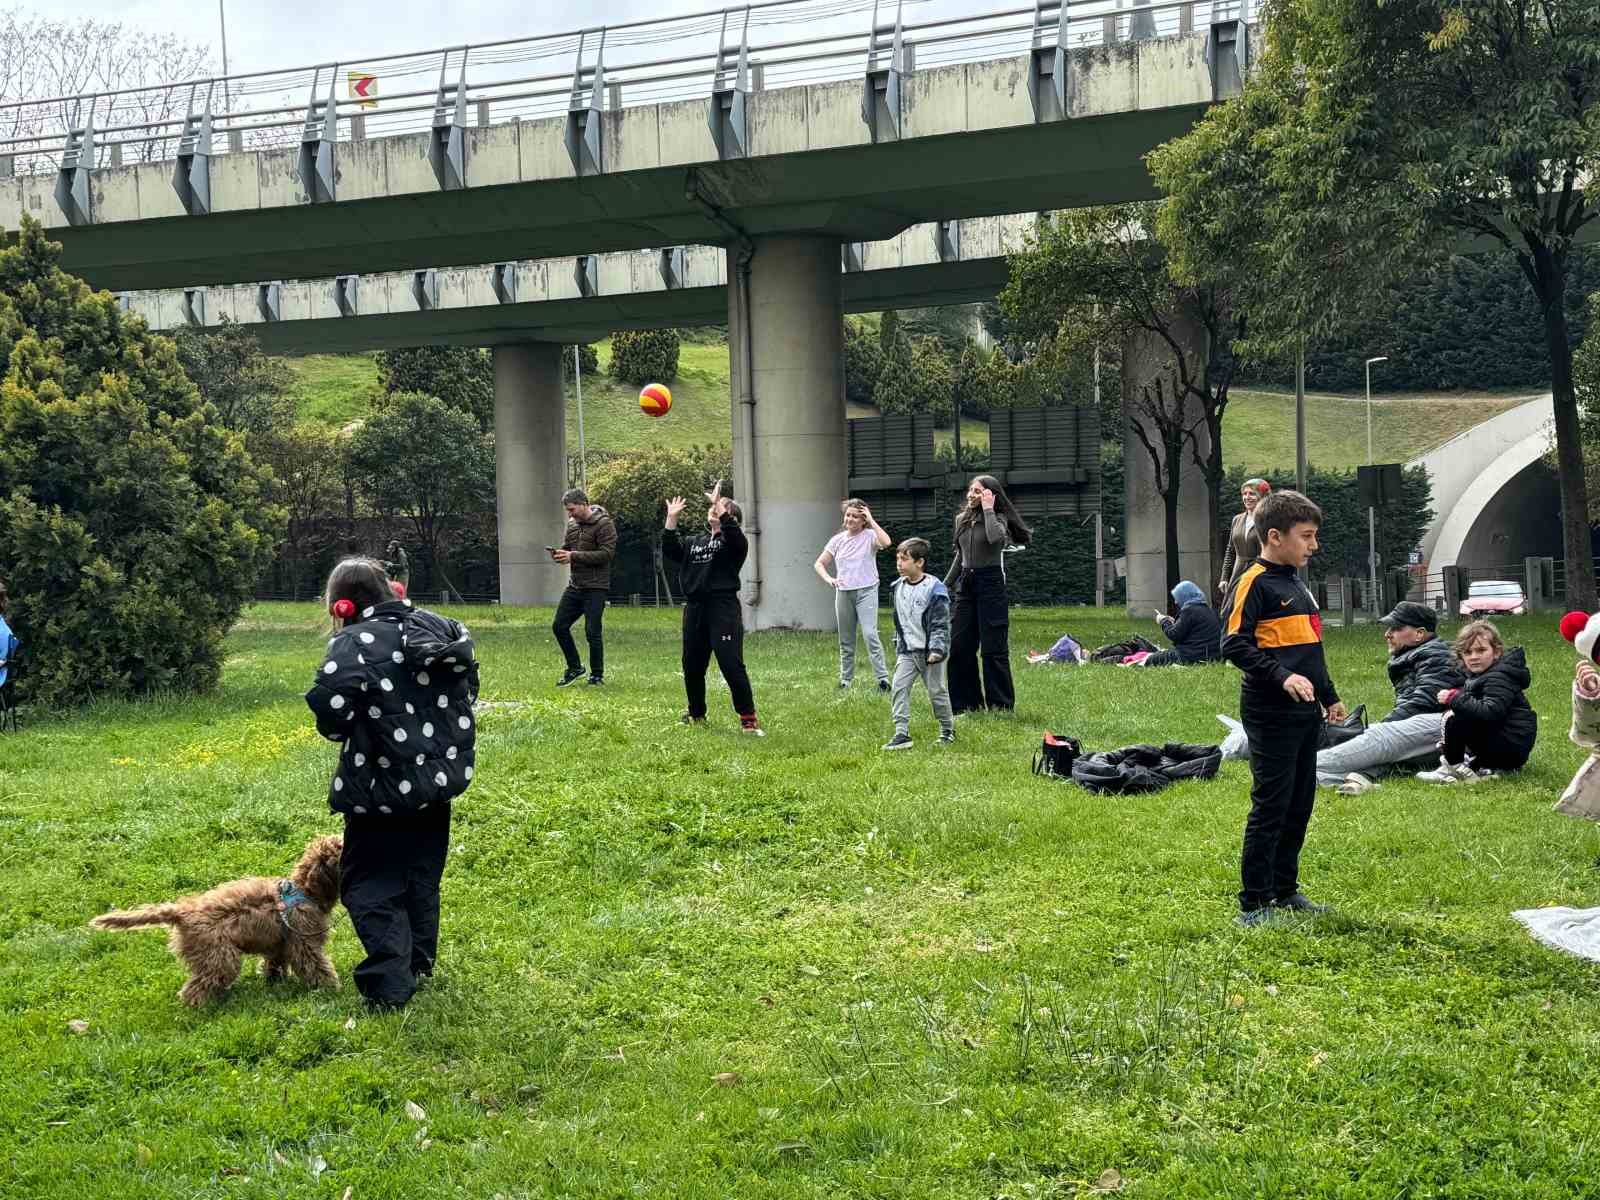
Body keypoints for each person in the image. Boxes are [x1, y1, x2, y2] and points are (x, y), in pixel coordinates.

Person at [304, 557, 478, 1010]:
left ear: (342, 605)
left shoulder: (353, 642)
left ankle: (390, 983)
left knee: (367, 882)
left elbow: (331, 713)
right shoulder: (442, 627)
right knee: (421, 873)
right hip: (436, 783)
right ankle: (419, 962)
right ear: (393, 590)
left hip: (378, 789)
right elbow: (467, 688)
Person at [1222, 489, 1346, 926]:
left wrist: (1328, 695)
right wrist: (1281, 677)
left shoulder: (1296, 582)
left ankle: (1285, 890)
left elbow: (1310, 651)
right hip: (1270, 711)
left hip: (1305, 712)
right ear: (1274, 536)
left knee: (1299, 801)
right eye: (1307, 536)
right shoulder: (1252, 581)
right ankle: (1254, 904)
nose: (1314, 545)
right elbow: (1233, 643)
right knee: (1271, 804)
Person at [1317, 601, 1465, 794]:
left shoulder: (1437, 657)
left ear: (1420, 634)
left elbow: (1423, 703)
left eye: (1395, 629)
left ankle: (1293, 768)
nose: (1387, 634)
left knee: (1379, 739)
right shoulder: (1418, 654)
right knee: (1379, 754)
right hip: (1433, 734)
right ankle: (1322, 777)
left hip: (1442, 729)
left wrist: (1385, 725)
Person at [663, 485, 763, 736]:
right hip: (695, 609)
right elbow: (670, 549)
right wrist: (671, 518)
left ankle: (748, 719)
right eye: (713, 507)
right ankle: (696, 713)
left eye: (720, 508)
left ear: (733, 519)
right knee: (692, 664)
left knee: (730, 663)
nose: (714, 510)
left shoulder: (734, 544)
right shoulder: (694, 542)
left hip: (723, 608)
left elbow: (734, 533)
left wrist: (720, 506)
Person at [944, 475, 1031, 713]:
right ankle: (966, 705)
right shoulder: (961, 519)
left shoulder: (998, 519)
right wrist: (944, 585)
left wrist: (989, 510)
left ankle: (1000, 705)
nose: (971, 494)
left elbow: (995, 539)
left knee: (993, 649)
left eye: (978, 491)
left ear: (990, 495)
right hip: (966, 584)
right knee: (959, 645)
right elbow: (960, 556)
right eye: (970, 490)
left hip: (991, 584)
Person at [1415, 619, 1535, 783]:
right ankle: (1480, 766)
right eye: (1467, 652)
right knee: (1454, 716)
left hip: (1510, 746)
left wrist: (1455, 698)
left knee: (1454, 720)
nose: (1474, 657)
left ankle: (1453, 766)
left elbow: (1490, 712)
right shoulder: (1483, 675)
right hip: (1506, 743)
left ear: (1497, 652)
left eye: (1481, 650)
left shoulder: (1498, 677)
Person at [882, 538, 954, 750]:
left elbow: (941, 624)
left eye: (904, 559)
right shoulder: (897, 587)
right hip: (907, 651)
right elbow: (901, 619)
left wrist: (936, 650)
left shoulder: (935, 589)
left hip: (931, 653)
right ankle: (901, 733)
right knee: (898, 687)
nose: (899, 564)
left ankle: (947, 729)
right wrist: (898, 641)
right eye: (897, 559)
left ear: (919, 562)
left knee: (937, 691)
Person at [814, 499, 892, 692]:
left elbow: (887, 542)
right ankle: (845, 680)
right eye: (848, 515)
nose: (850, 519)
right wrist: (829, 579)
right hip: (843, 593)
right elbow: (819, 563)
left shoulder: (870, 535)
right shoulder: (837, 540)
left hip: (867, 591)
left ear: (863, 520)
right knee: (846, 639)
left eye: (855, 516)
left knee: (870, 634)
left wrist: (872, 520)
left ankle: (883, 679)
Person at [550, 488, 617, 687]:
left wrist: (573, 556)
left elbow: (606, 555)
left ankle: (597, 675)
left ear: (583, 504)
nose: (570, 514)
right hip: (575, 585)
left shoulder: (605, 524)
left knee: (592, 631)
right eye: (568, 511)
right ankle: (575, 667)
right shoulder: (572, 525)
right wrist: (561, 554)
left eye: (572, 509)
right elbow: (570, 548)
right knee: (559, 626)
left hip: (596, 586)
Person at [1141, 580, 1223, 666]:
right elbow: (1191, 630)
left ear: (1184, 596)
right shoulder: (1206, 609)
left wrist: (1163, 621)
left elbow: (1174, 634)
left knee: (1151, 659)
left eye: (1177, 598)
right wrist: (1175, 622)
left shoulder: (1189, 610)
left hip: (1193, 656)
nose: (1176, 602)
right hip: (1213, 657)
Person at [1219, 478, 1271, 612]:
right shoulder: (1237, 520)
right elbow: (1230, 551)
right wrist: (1224, 577)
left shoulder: (1269, 520)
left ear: (1262, 496)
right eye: (1244, 494)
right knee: (1229, 611)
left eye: (1252, 493)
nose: (1247, 497)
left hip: (1259, 574)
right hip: (1238, 571)